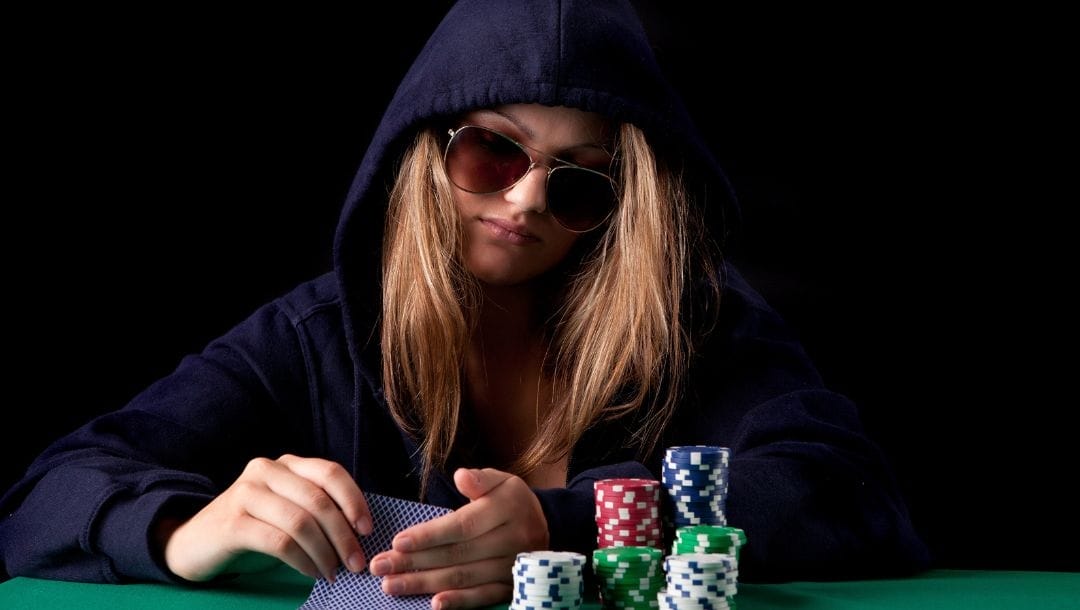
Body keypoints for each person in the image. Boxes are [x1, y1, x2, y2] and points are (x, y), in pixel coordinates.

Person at [0, 1, 930, 608]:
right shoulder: (312, 334)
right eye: (492, 152)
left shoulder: (699, 331)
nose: (525, 200)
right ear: (422, 152)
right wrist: (175, 531)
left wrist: (562, 527)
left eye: (580, 185)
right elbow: (48, 496)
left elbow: (849, 491)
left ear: (626, 208)